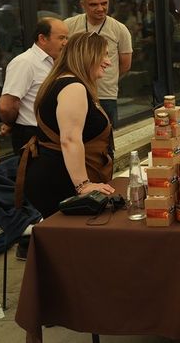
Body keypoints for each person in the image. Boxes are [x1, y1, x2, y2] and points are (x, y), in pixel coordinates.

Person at [0, 18, 68, 258]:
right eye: (61, 37)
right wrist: (10, 122)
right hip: (30, 136)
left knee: (42, 189)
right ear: (42, 38)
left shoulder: (55, 62)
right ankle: (26, 232)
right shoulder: (25, 63)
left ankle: (30, 244)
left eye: (66, 37)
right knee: (30, 187)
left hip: (49, 134)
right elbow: (7, 104)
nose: (65, 42)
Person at [20, 32, 116, 219]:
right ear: (87, 55)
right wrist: (83, 185)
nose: (108, 62)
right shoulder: (73, 87)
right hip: (60, 180)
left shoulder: (60, 82)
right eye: (104, 55)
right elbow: (70, 139)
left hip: (54, 176)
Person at [64, 0, 132, 126]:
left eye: (104, 3)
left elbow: (125, 65)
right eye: (93, 4)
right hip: (73, 90)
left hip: (105, 94)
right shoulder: (68, 25)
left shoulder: (120, 29)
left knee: (106, 136)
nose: (100, 8)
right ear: (82, 5)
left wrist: (106, 77)